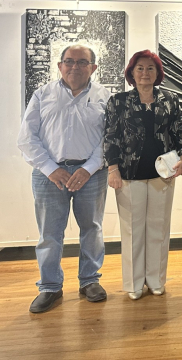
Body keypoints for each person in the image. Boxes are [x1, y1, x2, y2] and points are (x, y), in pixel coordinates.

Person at [18, 44, 111, 313]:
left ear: (93, 68)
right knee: (49, 233)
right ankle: (50, 287)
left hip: (91, 175)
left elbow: (110, 139)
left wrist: (88, 168)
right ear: (60, 66)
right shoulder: (42, 95)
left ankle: (89, 281)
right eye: (69, 61)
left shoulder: (105, 97)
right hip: (49, 175)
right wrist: (51, 168)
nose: (75, 66)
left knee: (92, 228)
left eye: (82, 62)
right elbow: (27, 138)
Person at [104, 50, 182, 300]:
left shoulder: (170, 99)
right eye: (140, 68)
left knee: (158, 228)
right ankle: (133, 283)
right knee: (132, 230)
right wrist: (112, 169)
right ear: (132, 73)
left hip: (162, 173)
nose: (145, 73)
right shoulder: (118, 101)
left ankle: (156, 280)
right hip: (128, 174)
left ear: (158, 73)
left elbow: (178, 130)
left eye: (150, 68)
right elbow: (110, 137)